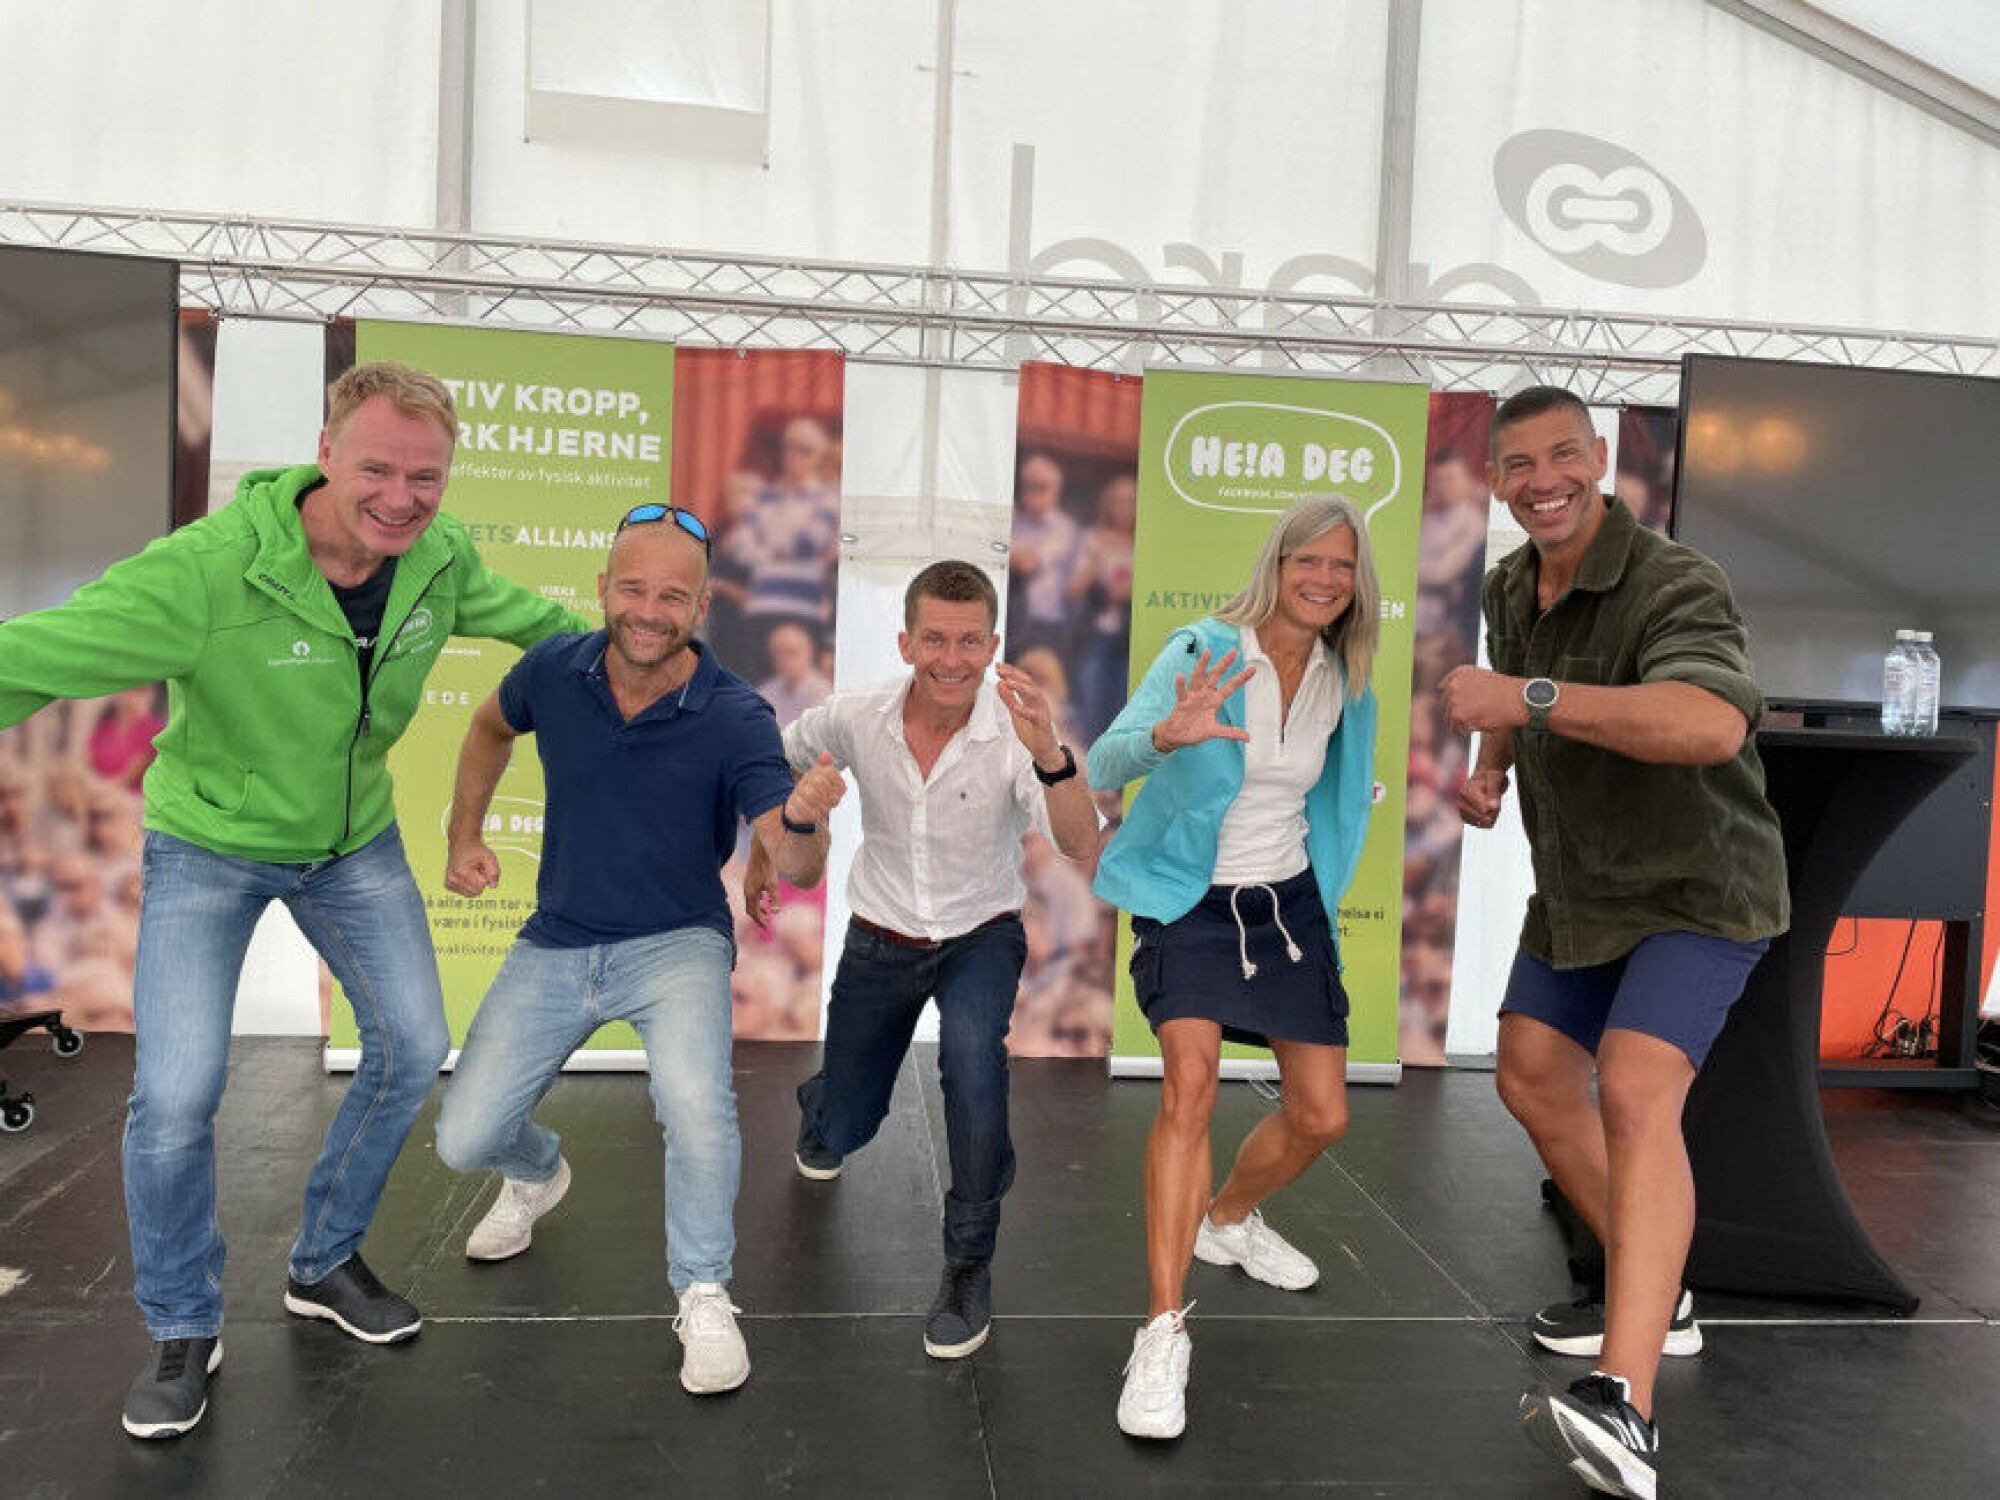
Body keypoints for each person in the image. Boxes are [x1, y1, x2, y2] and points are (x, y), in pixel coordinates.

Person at [0, 361, 584, 1439]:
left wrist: (655, 664)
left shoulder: (438, 560)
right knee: (176, 1097)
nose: (402, 498)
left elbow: (543, 627)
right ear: (324, 454)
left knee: (413, 1046)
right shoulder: (206, 573)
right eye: (377, 470)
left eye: (426, 477)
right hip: (209, 846)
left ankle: (323, 1261)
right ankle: (183, 1323)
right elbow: (34, 655)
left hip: (354, 846)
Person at [1442, 385, 1787, 1500]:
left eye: (1561, 456)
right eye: (1517, 465)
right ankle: (1658, 1290)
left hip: (1697, 886)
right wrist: (1490, 769)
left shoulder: (1674, 580)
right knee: (1531, 1077)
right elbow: (1508, 698)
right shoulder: (1509, 583)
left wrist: (1528, 698)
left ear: (1598, 458)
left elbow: (1709, 723)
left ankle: (1624, 1403)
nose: (1540, 480)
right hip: (1581, 889)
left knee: (1635, 1088)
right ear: (1495, 480)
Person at [432, 504, 842, 1396]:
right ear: (603, 589)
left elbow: (799, 861)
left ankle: (703, 1290)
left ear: (701, 607)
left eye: (671, 596)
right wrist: (463, 833)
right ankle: (538, 1173)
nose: (649, 611)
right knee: (464, 1139)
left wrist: (803, 823)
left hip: (676, 943)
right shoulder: (553, 668)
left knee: (697, 1109)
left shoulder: (735, 714)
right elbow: (488, 728)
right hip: (557, 938)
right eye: (632, 589)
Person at [753, 560, 1099, 1360]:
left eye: (970, 641)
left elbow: (1080, 842)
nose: (952, 658)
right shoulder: (855, 715)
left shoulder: (1020, 732)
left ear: (994, 644)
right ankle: (826, 1106)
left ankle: (968, 1263)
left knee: (975, 1067)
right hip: (881, 934)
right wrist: (776, 840)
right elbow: (775, 758)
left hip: (982, 933)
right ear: (906, 642)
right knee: (849, 1122)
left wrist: (1051, 755)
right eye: (935, 639)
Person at [1088, 495, 1381, 1441]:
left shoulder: (1345, 678)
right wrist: (1166, 736)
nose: (1324, 578)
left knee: (1322, 1116)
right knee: (1191, 1085)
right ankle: (1161, 1330)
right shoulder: (1206, 649)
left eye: (1341, 565)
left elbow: (1338, 795)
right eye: (1308, 560)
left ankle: (1227, 1219)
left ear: (1357, 582)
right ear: (1278, 563)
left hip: (1286, 903)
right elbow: (1103, 762)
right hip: (1191, 901)